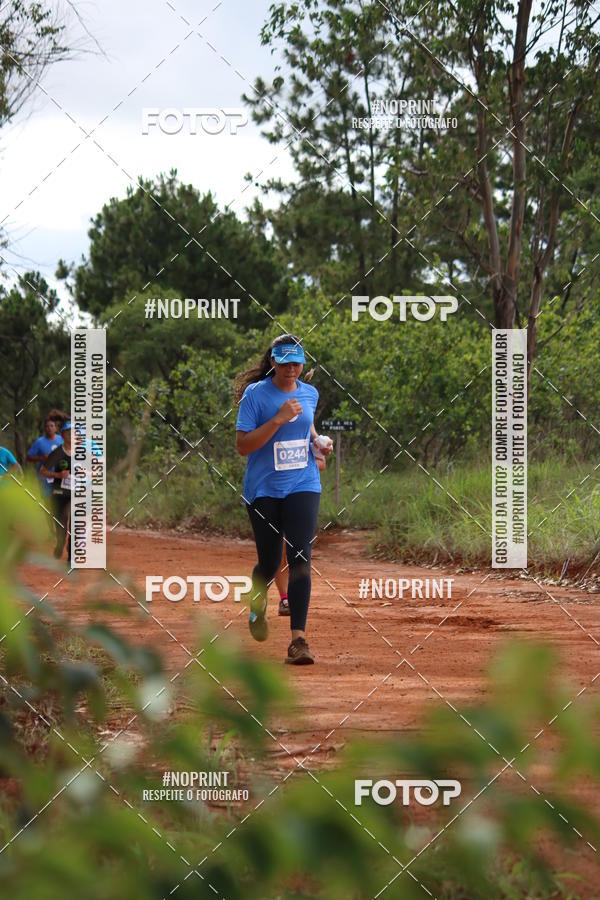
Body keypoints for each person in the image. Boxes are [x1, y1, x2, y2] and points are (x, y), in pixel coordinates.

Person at [235, 334, 333, 664]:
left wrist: (318, 445)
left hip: (303, 482)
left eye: (297, 363)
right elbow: (244, 446)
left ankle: (298, 641)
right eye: (285, 362)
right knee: (270, 560)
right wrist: (277, 419)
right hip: (263, 488)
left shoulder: (310, 392)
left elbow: (306, 429)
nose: (291, 369)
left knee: (300, 556)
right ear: (273, 362)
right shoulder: (255, 395)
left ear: (303, 363)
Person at [274, 430, 327, 616]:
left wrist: (301, 464)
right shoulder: (272, 428)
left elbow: (322, 463)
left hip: (301, 495)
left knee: (297, 551)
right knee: (277, 551)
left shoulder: (308, 433)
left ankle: (294, 598)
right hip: (273, 492)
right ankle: (284, 598)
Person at [40, 421, 72, 560]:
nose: (72, 436)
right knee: (62, 524)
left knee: (77, 524)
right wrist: (58, 475)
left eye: (74, 433)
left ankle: (72, 552)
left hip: (77, 493)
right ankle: (60, 543)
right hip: (60, 493)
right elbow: (43, 471)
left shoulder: (83, 453)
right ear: (63, 436)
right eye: (68, 433)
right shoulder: (57, 453)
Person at [27, 417, 64, 496]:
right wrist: (42, 458)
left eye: (51, 426)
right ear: (44, 428)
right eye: (47, 426)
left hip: (60, 476)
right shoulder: (39, 442)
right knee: (47, 499)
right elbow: (29, 457)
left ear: (56, 428)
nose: (49, 428)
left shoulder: (62, 440)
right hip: (45, 477)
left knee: (59, 499)